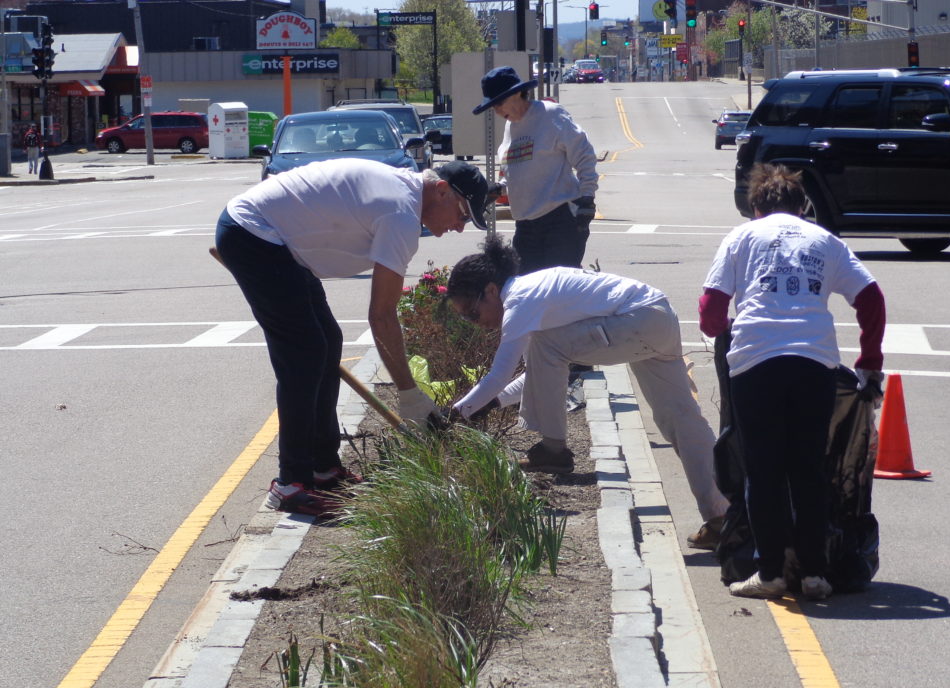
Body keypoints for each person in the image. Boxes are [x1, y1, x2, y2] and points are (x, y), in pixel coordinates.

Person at [215, 158, 492, 516]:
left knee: (326, 341)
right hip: (254, 233)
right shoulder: (401, 215)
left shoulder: (404, 198)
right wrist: (409, 394)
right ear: (441, 191)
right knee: (304, 352)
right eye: (462, 214)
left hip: (275, 240)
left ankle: (323, 468)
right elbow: (380, 315)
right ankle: (290, 483)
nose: (459, 227)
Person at [447, 235, 729, 527]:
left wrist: (454, 415)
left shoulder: (520, 299)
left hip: (638, 319)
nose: (474, 323)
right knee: (682, 420)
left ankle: (554, 450)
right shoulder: (535, 296)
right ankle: (722, 516)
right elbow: (536, 377)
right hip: (657, 315)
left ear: (491, 291)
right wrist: (490, 403)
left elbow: (500, 373)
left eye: (471, 313)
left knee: (548, 345)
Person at [699, 163, 886, 600]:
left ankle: (770, 574)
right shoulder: (825, 241)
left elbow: (710, 313)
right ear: (802, 206)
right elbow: (871, 297)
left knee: (763, 471)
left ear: (755, 208)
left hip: (756, 361)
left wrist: (730, 321)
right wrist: (869, 360)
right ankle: (816, 574)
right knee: (808, 469)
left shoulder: (741, 238)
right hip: (813, 361)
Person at [472, 66, 598, 274]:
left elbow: (584, 156)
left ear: (515, 94)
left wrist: (587, 198)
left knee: (558, 288)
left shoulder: (550, 115)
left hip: (559, 220)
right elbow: (519, 171)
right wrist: (499, 189)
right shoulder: (510, 127)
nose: (496, 111)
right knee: (527, 290)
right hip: (525, 225)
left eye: (498, 103)